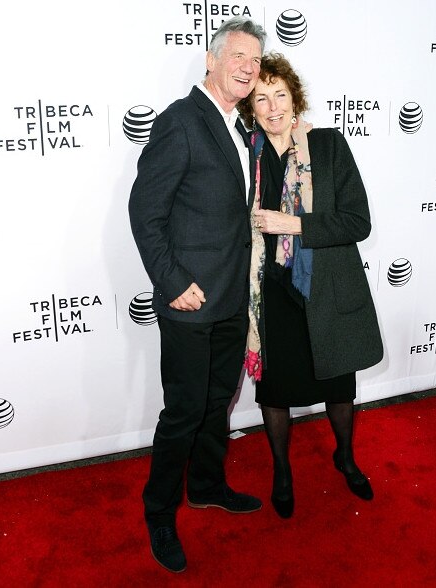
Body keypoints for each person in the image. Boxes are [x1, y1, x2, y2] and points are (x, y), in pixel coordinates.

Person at [129, 17, 267, 573]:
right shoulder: (180, 121)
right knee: (184, 411)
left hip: (232, 297)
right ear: (210, 60)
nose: (247, 67)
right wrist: (171, 283)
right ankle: (159, 512)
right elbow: (146, 213)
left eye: (255, 60)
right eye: (237, 55)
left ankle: (207, 484)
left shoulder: (240, 127)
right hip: (189, 301)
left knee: (217, 403)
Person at [237, 53, 383, 519]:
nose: (273, 106)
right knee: (276, 392)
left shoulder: (328, 145)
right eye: (262, 98)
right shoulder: (248, 156)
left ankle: (345, 457)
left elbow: (357, 221)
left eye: (280, 94)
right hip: (274, 294)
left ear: (294, 99)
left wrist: (293, 224)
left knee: (340, 387)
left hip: (327, 291)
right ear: (251, 108)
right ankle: (282, 470)